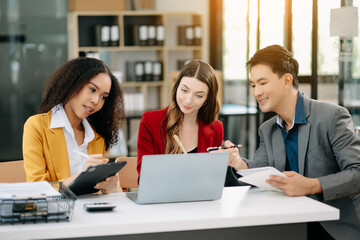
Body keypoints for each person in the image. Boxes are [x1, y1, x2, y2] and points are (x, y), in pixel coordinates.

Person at [220, 45, 360, 239]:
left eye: (262, 83)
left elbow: (357, 173)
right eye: (253, 85)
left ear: (287, 80)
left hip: (333, 228)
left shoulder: (332, 117)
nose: (256, 92)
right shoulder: (268, 129)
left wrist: (311, 185)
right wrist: (238, 162)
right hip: (288, 226)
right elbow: (258, 172)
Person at [23, 57, 125, 194]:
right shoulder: (37, 126)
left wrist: (106, 186)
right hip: (56, 212)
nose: (96, 101)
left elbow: (95, 192)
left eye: (103, 97)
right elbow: (37, 189)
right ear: (73, 83)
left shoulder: (97, 136)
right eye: (92, 90)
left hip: (91, 212)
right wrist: (81, 177)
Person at [136, 60, 239, 186]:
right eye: (184, 90)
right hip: (162, 201)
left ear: (207, 99)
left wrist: (228, 163)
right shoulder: (150, 121)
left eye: (199, 96)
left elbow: (214, 180)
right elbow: (145, 178)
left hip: (199, 201)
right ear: (176, 87)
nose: (188, 101)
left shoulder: (216, 128)